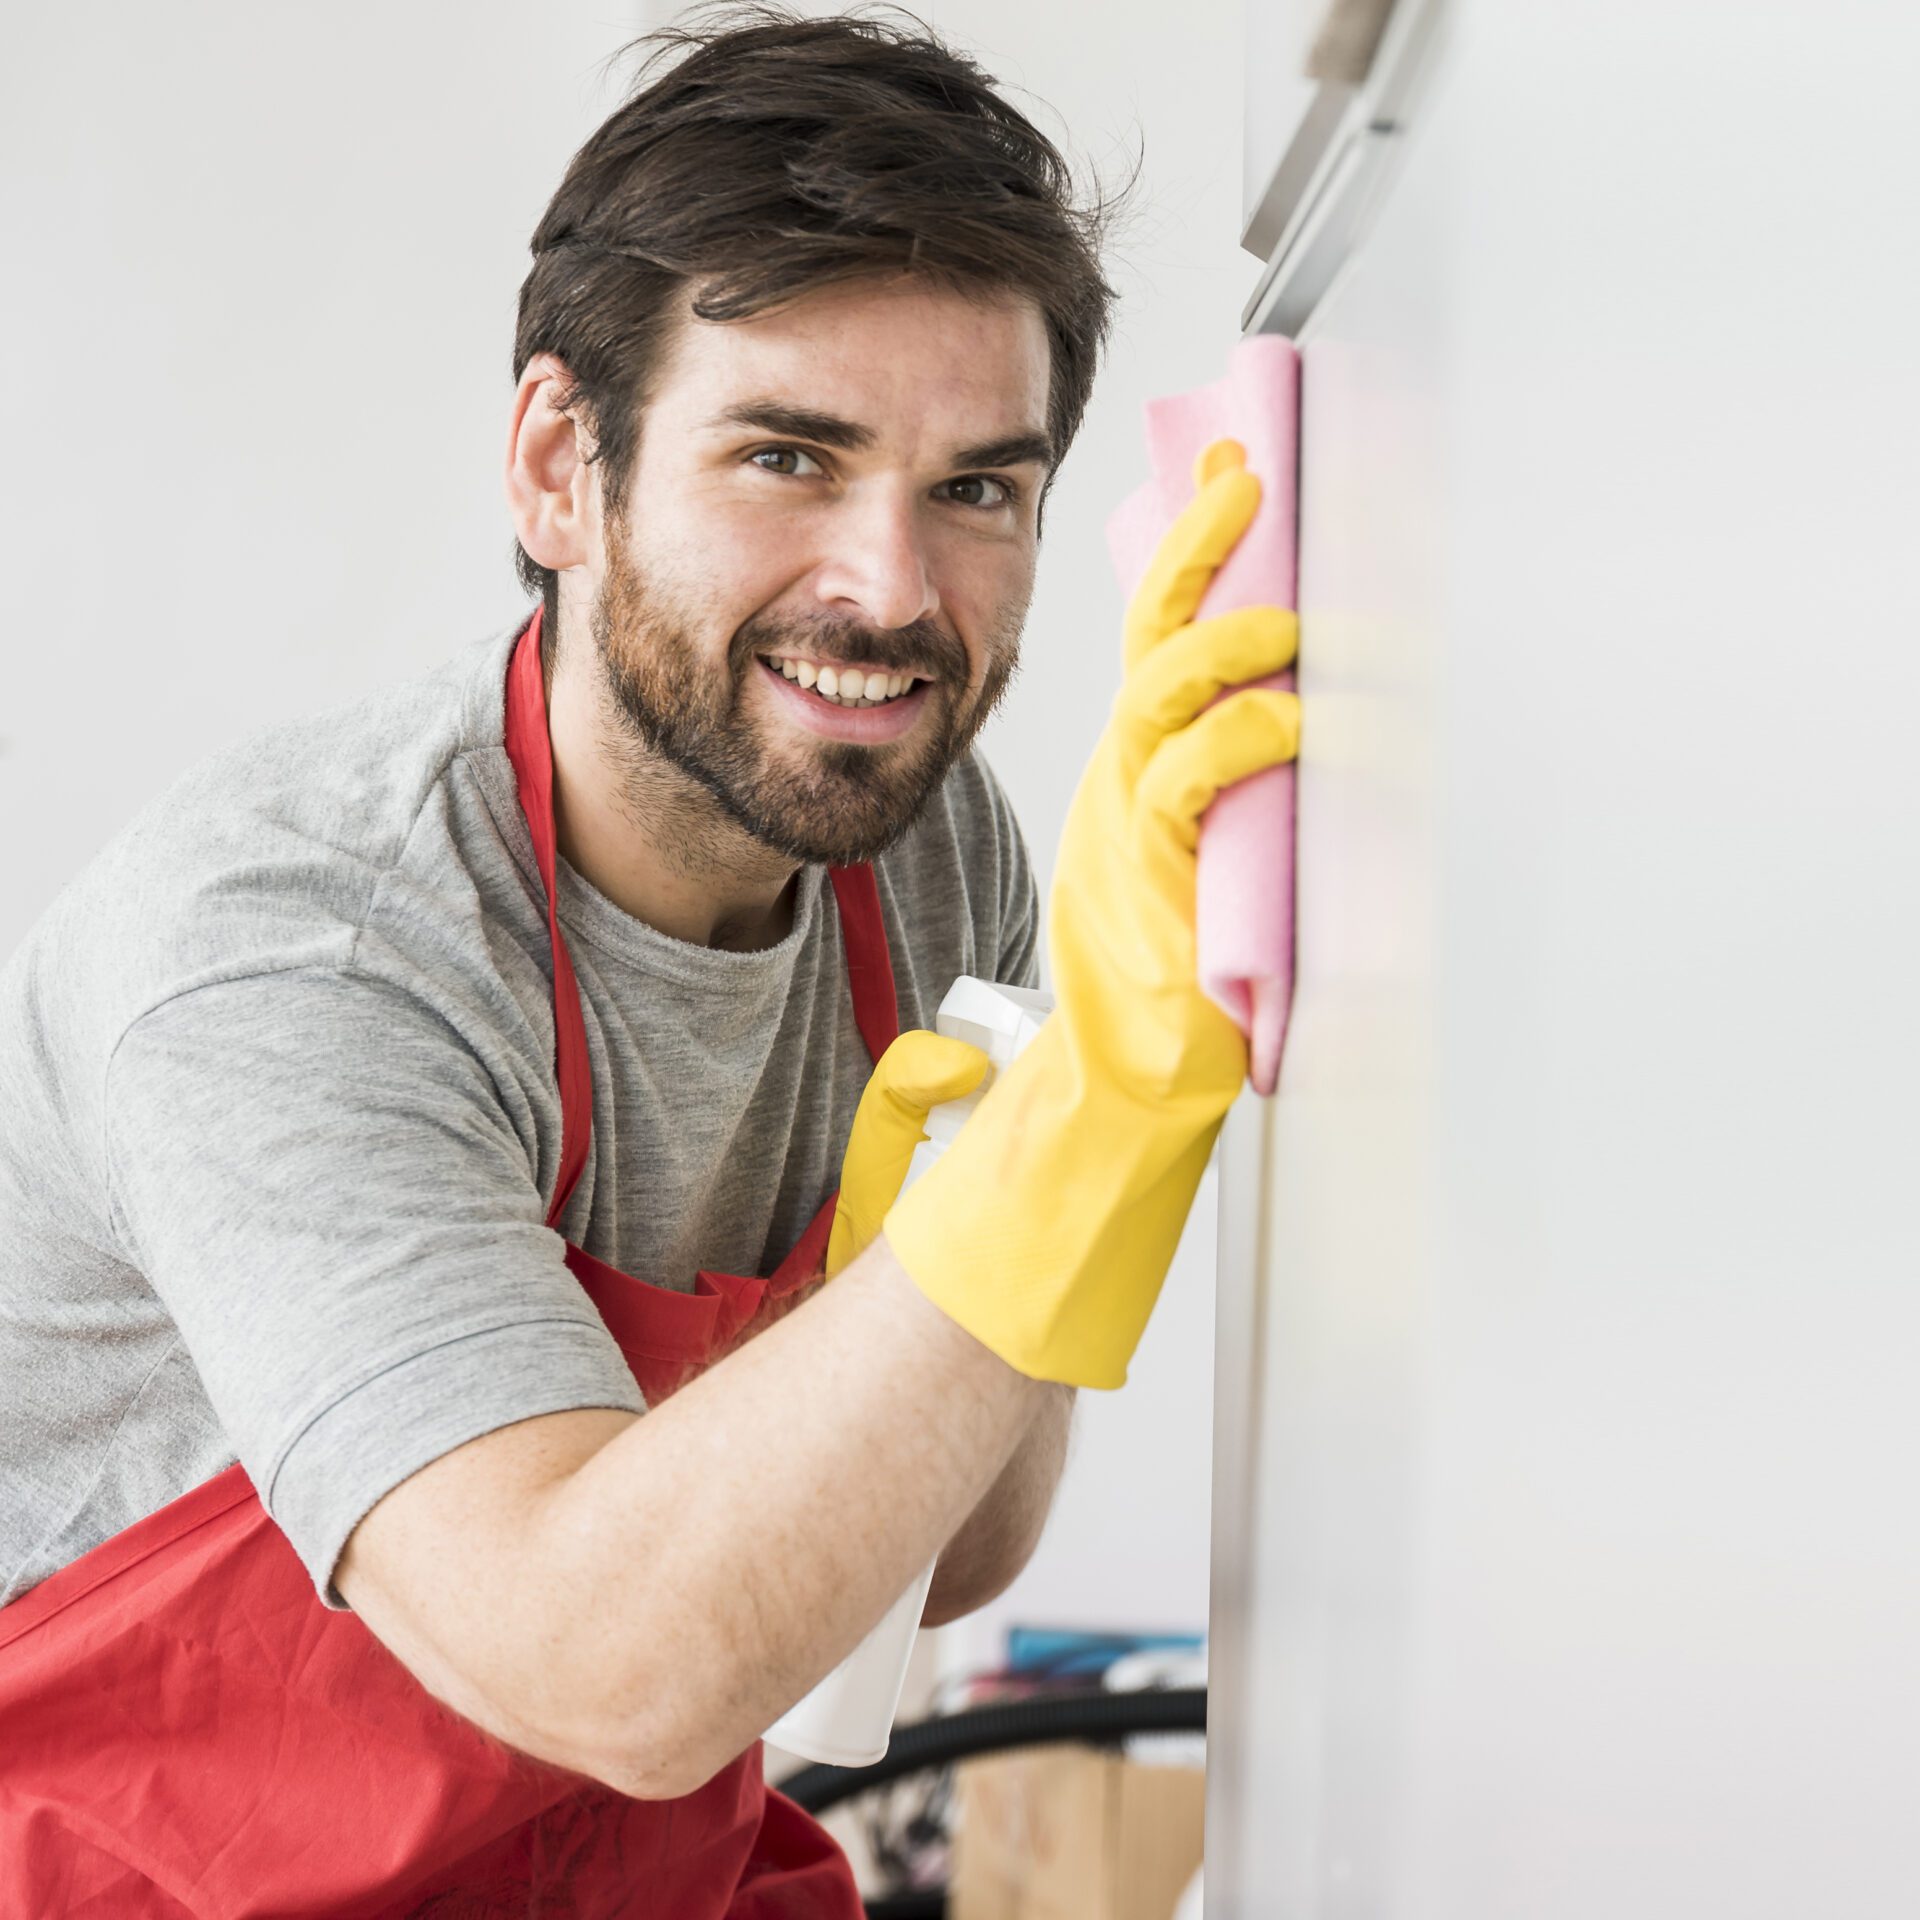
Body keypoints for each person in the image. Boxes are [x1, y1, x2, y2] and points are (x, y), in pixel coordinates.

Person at [0, 6, 1299, 1913]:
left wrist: (1025, 1140)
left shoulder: (928, 851)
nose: (891, 590)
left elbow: (947, 1558)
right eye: (789, 454)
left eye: (978, 488)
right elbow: (605, 1666)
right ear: (557, 464)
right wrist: (1081, 1113)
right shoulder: (296, 948)